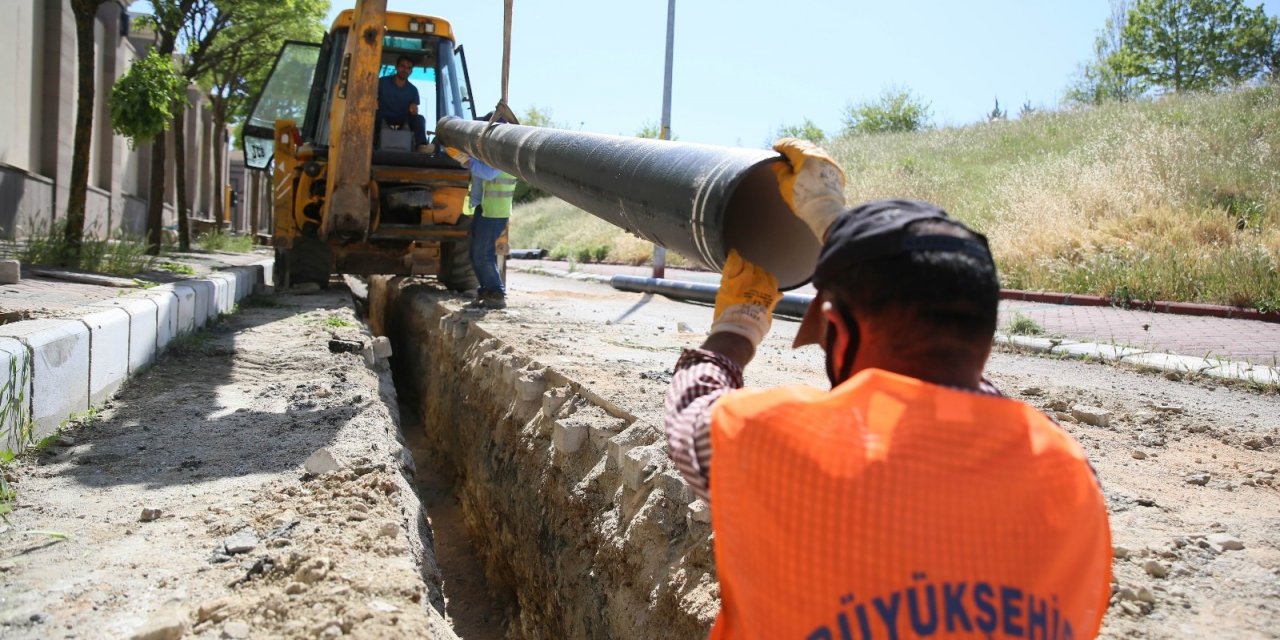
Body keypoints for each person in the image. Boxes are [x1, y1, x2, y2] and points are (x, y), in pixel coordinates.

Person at [664, 139, 1112, 639]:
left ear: (839, 331)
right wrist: (837, 225)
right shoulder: (1070, 473)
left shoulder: (775, 441)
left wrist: (740, 323)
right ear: (982, 339)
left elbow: (691, 406)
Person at [445, 116, 517, 309]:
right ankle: (486, 291)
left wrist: (465, 160)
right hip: (485, 208)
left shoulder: (503, 153)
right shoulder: (494, 151)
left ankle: (496, 293)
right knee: (476, 253)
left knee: (482, 254)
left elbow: (488, 173)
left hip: (494, 212)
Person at [376, 55, 429, 151]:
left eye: (408, 68)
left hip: (402, 119)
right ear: (396, 67)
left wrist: (414, 110)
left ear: (411, 71)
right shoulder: (382, 82)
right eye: (402, 66)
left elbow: (414, 108)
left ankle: (421, 145)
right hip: (383, 116)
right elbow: (371, 97)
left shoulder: (413, 90)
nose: (405, 70)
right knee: (372, 116)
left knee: (419, 119)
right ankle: (370, 144)